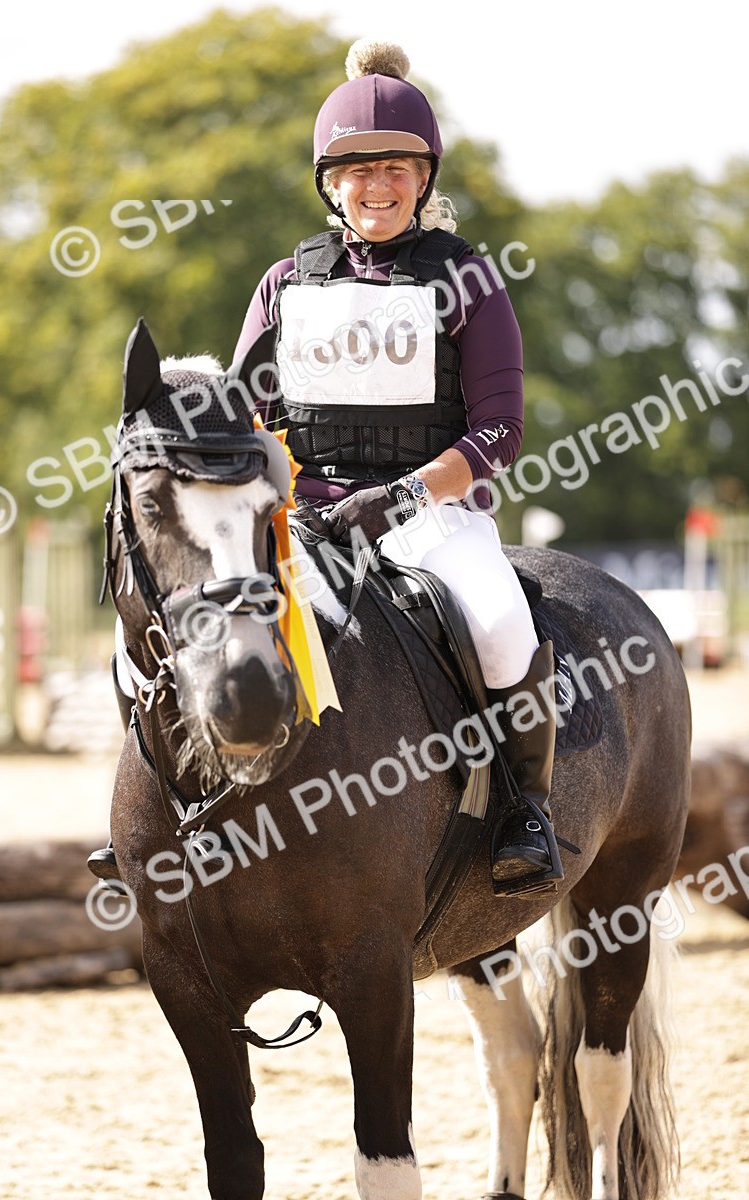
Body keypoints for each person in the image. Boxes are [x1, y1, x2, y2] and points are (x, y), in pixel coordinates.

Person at [230, 38, 563, 895]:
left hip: (431, 514)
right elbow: (247, 417)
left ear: (422, 178)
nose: (376, 186)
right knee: (195, 613)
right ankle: (159, 806)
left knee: (497, 619)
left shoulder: (468, 279)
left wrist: (404, 496)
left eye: (396, 168)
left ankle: (527, 808)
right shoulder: (284, 285)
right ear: (328, 184)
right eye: (357, 170)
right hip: (302, 517)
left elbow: (500, 428)